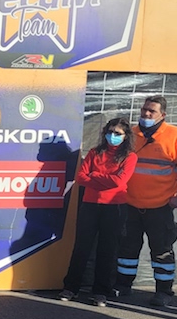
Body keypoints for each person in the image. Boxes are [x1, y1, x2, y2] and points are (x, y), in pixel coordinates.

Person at [114, 96, 177, 307]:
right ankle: (123, 286)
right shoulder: (131, 134)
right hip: (130, 204)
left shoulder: (176, 136)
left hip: (160, 207)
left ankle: (164, 292)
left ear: (163, 115)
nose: (146, 114)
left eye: (151, 111)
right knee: (127, 250)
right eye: (144, 109)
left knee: (162, 251)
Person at [58, 117, 137, 306]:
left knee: (107, 250)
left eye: (117, 133)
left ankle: (100, 292)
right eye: (110, 132)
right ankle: (71, 287)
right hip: (90, 205)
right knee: (81, 248)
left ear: (126, 136)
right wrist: (104, 178)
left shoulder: (130, 157)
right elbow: (81, 178)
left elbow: (119, 181)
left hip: (115, 207)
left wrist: (94, 175)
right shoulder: (95, 152)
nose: (112, 136)